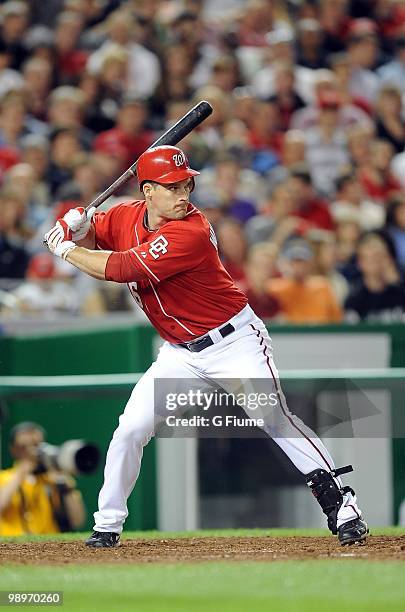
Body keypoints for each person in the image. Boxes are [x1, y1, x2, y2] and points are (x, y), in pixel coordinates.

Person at [44, 144, 368, 548]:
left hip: (234, 343)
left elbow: (118, 267)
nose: (184, 196)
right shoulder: (126, 215)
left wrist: (66, 246)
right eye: (173, 188)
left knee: (274, 417)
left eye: (186, 186)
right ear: (147, 192)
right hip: (180, 353)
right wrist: (76, 220)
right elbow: (96, 227)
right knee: (130, 428)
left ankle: (343, 506)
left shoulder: (190, 231)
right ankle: (107, 525)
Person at [0, 422, 86, 536]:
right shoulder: (5, 478)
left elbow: (78, 521)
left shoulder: (54, 478)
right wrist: (22, 473)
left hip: (49, 545)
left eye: (36, 445)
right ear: (13, 450)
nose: (31, 451)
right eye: (23, 447)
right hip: (12, 546)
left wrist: (63, 483)